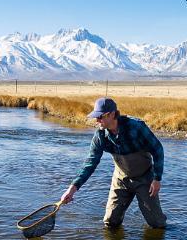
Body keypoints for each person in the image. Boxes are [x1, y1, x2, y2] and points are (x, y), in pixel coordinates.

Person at [60, 97, 167, 229]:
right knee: (110, 222)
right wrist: (72, 189)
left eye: (99, 117)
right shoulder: (100, 136)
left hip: (145, 178)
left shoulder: (136, 127)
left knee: (157, 224)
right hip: (121, 178)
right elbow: (90, 163)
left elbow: (158, 149)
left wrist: (157, 179)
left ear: (111, 114)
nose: (96, 120)